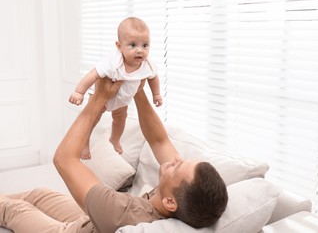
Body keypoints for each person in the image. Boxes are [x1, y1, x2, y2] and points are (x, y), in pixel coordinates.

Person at [0, 77, 228, 232]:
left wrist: (97, 99)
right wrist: (138, 90)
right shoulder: (180, 202)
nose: (175, 159)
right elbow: (159, 139)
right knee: (41, 193)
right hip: (92, 222)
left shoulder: (121, 212)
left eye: (178, 166)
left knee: (14, 209)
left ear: (170, 202)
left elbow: (64, 159)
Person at [69, 16, 162, 159]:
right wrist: (79, 92)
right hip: (102, 99)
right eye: (133, 45)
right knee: (92, 120)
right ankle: (85, 143)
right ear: (119, 46)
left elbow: (153, 77)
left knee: (120, 119)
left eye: (145, 45)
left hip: (122, 101)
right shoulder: (113, 62)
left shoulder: (147, 65)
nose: (140, 50)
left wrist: (156, 94)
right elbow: (93, 74)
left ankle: (115, 139)